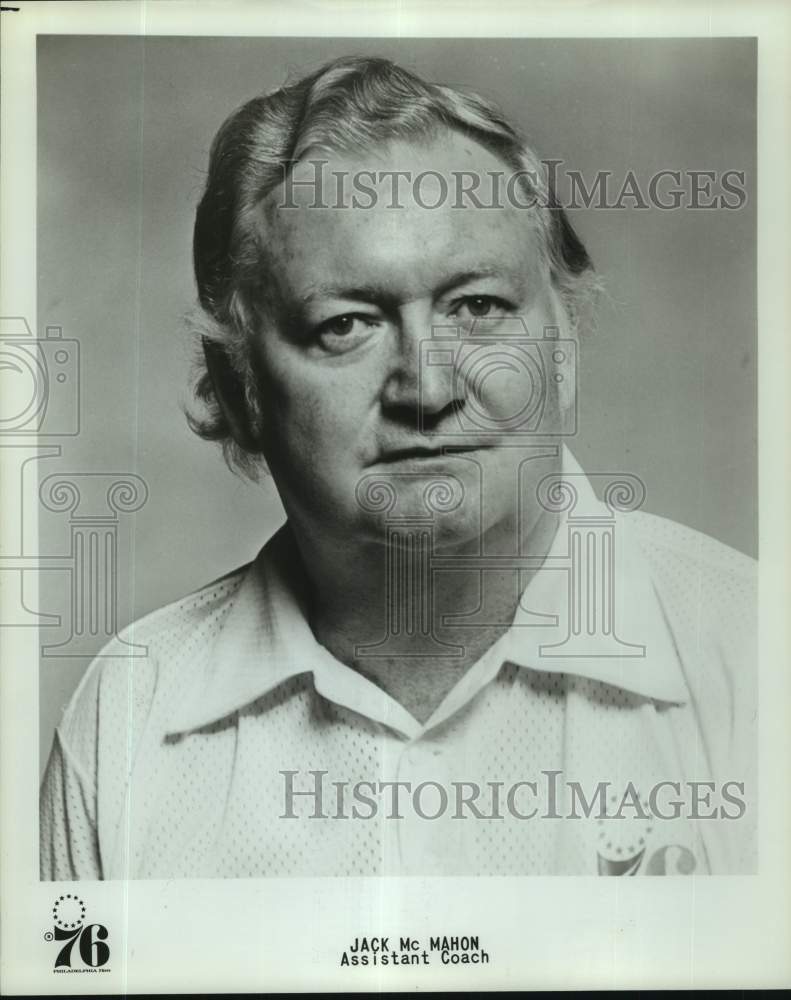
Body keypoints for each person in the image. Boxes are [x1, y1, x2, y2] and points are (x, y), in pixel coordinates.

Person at [40, 55, 756, 879]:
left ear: (562, 353)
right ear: (238, 386)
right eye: (346, 324)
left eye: (478, 307)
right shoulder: (130, 717)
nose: (429, 385)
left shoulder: (753, 658)